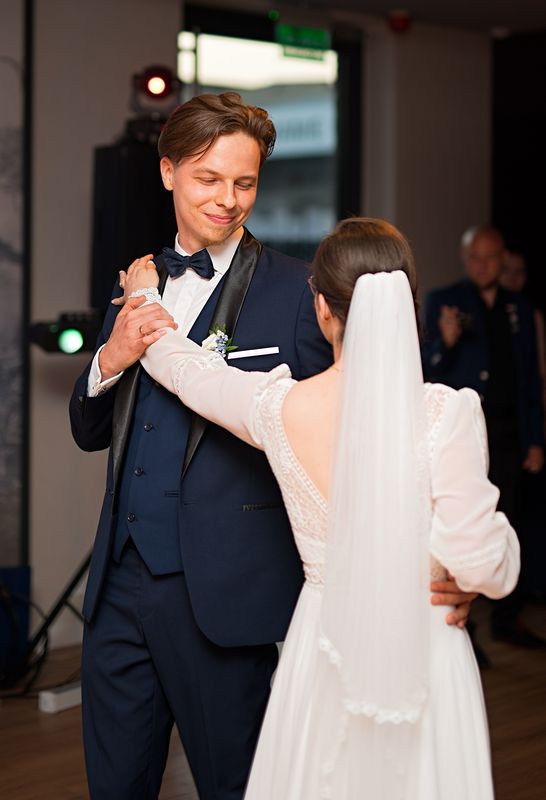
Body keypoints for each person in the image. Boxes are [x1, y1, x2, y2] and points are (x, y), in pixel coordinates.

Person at [70, 93, 474, 800]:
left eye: (245, 182)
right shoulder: (136, 281)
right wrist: (110, 358)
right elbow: (89, 429)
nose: (227, 200)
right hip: (118, 592)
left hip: (227, 598)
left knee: (237, 786)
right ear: (167, 172)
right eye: (208, 179)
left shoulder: (298, 292)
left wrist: (445, 557)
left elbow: (375, 428)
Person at [120, 216, 520, 799]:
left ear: (322, 309)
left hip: (322, 643)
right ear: (405, 302)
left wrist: (144, 298)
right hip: (426, 644)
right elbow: (482, 564)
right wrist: (479, 566)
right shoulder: (449, 412)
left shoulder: (279, 408)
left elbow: (186, 370)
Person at [422, 226, 544, 655]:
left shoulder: (519, 306)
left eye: (490, 258)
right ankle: (464, 624)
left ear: (502, 259)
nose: (482, 265)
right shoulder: (444, 299)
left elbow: (530, 377)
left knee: (510, 518)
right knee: (457, 521)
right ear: (465, 257)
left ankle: (508, 619)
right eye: (475, 257)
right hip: (461, 436)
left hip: (508, 432)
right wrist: (446, 342)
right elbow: (426, 368)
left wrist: (535, 439)